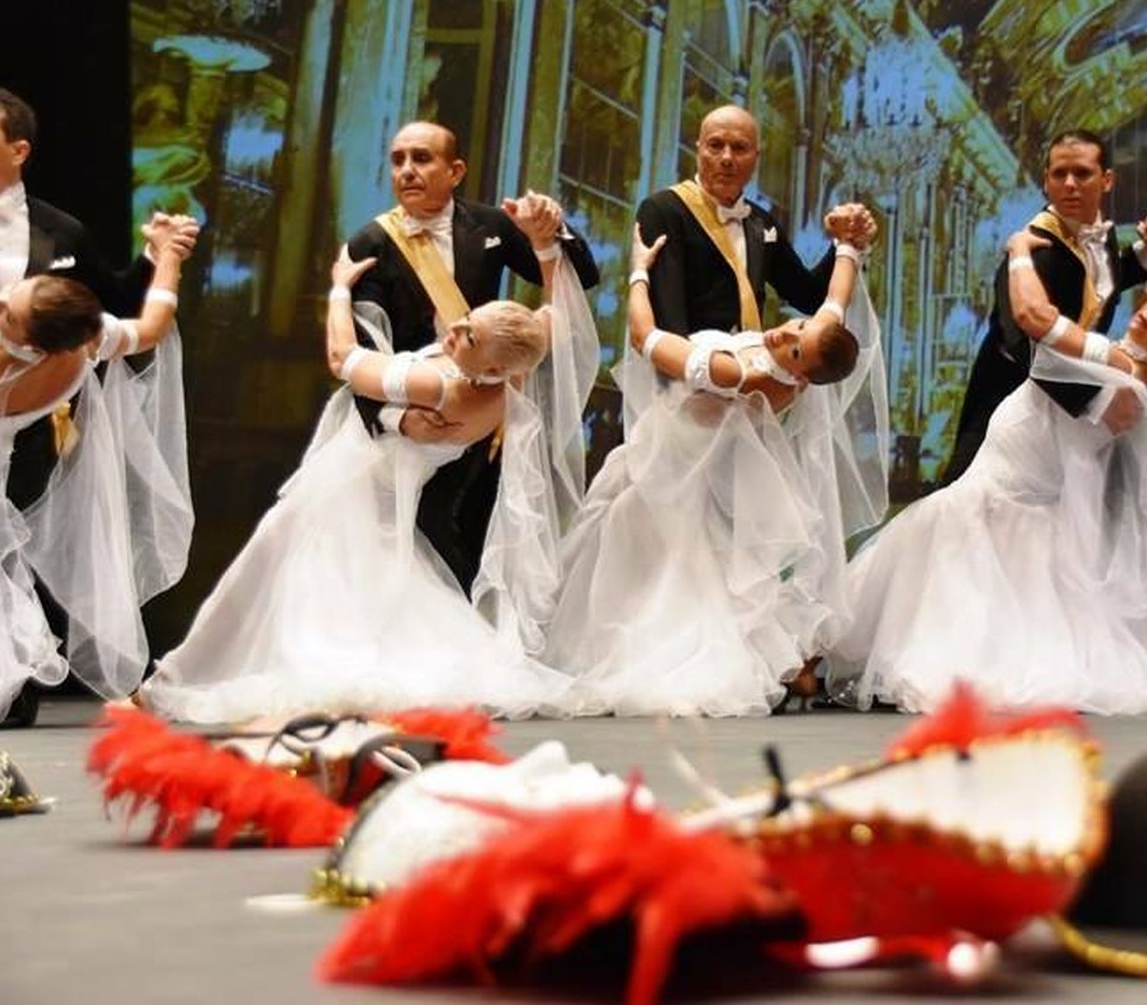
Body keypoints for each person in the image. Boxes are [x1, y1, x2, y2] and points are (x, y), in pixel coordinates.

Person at [140, 196, 593, 724]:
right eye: (465, 320)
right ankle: (182, 675)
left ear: (490, 363)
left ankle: (175, 680)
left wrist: (338, 289)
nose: (454, 331)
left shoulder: (440, 385)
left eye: (468, 336)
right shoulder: (506, 386)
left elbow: (343, 360)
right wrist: (546, 244)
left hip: (356, 487)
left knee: (269, 564)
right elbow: (557, 315)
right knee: (357, 592)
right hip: (380, 493)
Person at [828, 220, 1147, 715]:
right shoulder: (1144, 365)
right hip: (1013, 486)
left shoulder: (1122, 368)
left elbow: (1034, 317)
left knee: (949, 586)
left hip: (1008, 489)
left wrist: (1019, 250)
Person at [542, 219, 885, 717]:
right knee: (678, 562)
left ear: (802, 375)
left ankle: (651, 656)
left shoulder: (736, 371)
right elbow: (834, 303)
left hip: (670, 468)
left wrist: (638, 272)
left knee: (641, 556)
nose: (787, 331)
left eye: (794, 348)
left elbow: (644, 337)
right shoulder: (801, 363)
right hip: (688, 463)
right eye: (799, 325)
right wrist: (849, 249)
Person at [343, 120, 599, 594]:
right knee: (420, 541)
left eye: (422, 158)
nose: (407, 170)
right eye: (398, 160)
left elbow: (580, 279)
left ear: (455, 170)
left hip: (487, 415)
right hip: (413, 419)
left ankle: (477, 646)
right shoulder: (370, 243)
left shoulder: (492, 226)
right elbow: (357, 352)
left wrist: (553, 229)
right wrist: (395, 419)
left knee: (483, 542)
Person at [0, 217, 191, 730]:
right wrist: (168, 256)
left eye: (7, 310)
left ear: (30, 340)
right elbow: (153, 325)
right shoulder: (81, 345)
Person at [943, 130, 1147, 484]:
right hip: (1009, 403)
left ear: (1107, 180)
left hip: (1066, 410)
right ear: (1046, 181)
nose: (1070, 184)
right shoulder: (1034, 246)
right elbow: (1020, 343)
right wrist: (1093, 400)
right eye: (1059, 174)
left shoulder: (1099, 234)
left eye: (1082, 173)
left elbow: (1100, 283)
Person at [635, 104, 874, 337]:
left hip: (746, 365)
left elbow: (809, 297)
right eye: (716, 145)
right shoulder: (663, 210)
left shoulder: (762, 222)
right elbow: (667, 318)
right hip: (684, 366)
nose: (727, 158)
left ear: (756, 157)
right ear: (699, 149)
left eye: (739, 148)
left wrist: (844, 242)